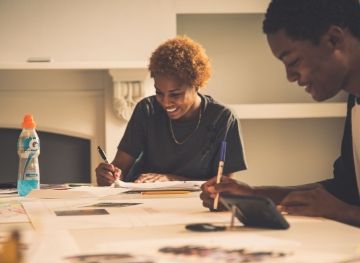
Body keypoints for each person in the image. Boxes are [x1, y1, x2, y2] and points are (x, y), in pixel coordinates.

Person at [201, 0, 360, 227]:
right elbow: (346, 190)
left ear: (333, 39)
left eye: (293, 61)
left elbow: (342, 204)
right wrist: (253, 195)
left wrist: (343, 212)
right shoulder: (354, 98)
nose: (290, 77)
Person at [96, 36, 246, 185]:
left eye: (175, 94)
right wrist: (109, 176)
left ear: (196, 85)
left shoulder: (222, 118)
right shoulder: (147, 110)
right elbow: (120, 169)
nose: (166, 102)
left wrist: (172, 179)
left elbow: (224, 185)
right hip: (142, 199)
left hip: (197, 204)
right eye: (159, 92)